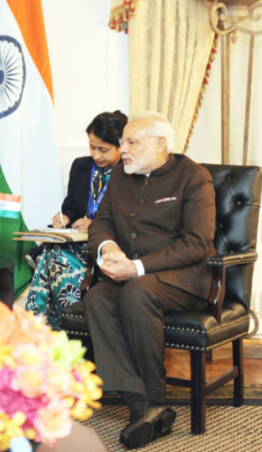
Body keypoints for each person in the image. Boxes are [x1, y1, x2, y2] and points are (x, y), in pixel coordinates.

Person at [84, 112, 216, 449]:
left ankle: (153, 398)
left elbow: (197, 243)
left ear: (160, 145)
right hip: (135, 275)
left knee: (136, 292)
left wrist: (137, 268)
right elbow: (101, 224)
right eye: (123, 141)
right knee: (97, 298)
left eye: (131, 142)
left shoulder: (193, 177)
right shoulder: (120, 176)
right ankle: (144, 406)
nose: (123, 148)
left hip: (186, 278)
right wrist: (109, 247)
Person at [25, 111, 127, 329]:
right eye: (92, 147)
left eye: (103, 150)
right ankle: (68, 329)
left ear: (121, 146)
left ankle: (44, 329)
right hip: (74, 241)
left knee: (51, 256)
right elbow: (70, 204)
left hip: (103, 246)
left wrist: (95, 226)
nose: (96, 155)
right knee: (54, 253)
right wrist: (65, 218)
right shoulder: (81, 166)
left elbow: (127, 219)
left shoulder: (129, 173)